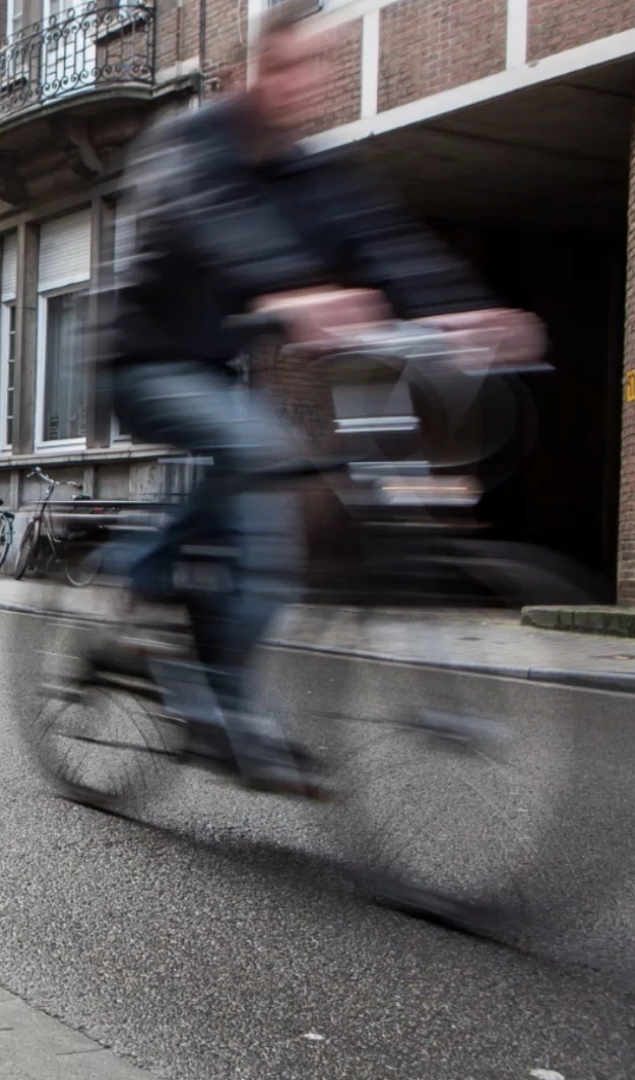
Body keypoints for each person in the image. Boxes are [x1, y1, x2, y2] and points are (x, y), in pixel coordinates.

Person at [104, 0, 543, 793]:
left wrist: (463, 312)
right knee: (263, 452)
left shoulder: (316, 174)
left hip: (221, 371)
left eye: (316, 68)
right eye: (286, 67)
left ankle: (223, 708)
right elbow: (205, 218)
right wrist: (286, 292)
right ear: (247, 73)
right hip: (144, 361)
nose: (302, 84)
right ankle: (137, 570)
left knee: (268, 539)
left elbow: (389, 245)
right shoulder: (190, 144)